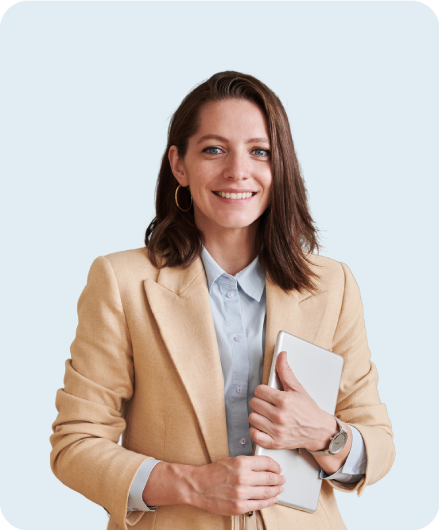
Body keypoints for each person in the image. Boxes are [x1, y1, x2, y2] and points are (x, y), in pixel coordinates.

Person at [50, 71, 395, 530]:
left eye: (260, 152)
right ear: (179, 164)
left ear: (280, 167)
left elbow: (379, 446)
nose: (238, 171)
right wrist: (190, 484)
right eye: (214, 149)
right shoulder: (121, 281)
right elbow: (75, 444)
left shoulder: (332, 285)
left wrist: (324, 434)